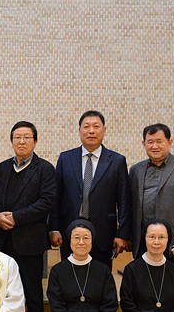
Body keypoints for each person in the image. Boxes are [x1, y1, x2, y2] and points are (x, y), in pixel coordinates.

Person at [0, 120, 56, 312]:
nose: (22, 141)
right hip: (4, 241)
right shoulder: (4, 167)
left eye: (27, 137)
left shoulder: (45, 168)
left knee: (33, 296)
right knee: (3, 294)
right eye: (17, 137)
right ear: (11, 141)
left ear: (35, 142)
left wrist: (16, 218)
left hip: (29, 243)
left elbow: (47, 202)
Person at [50, 110, 132, 268]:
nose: (91, 131)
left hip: (104, 234)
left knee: (101, 275)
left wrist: (122, 233)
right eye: (86, 126)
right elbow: (56, 197)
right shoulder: (65, 158)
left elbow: (124, 202)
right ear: (79, 130)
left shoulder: (117, 161)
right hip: (69, 230)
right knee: (70, 275)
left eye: (96, 126)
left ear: (104, 130)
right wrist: (53, 228)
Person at [129, 123, 174, 285]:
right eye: (150, 142)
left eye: (159, 141)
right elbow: (131, 206)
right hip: (144, 242)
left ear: (170, 142)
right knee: (144, 287)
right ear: (144, 144)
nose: (154, 146)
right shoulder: (136, 170)